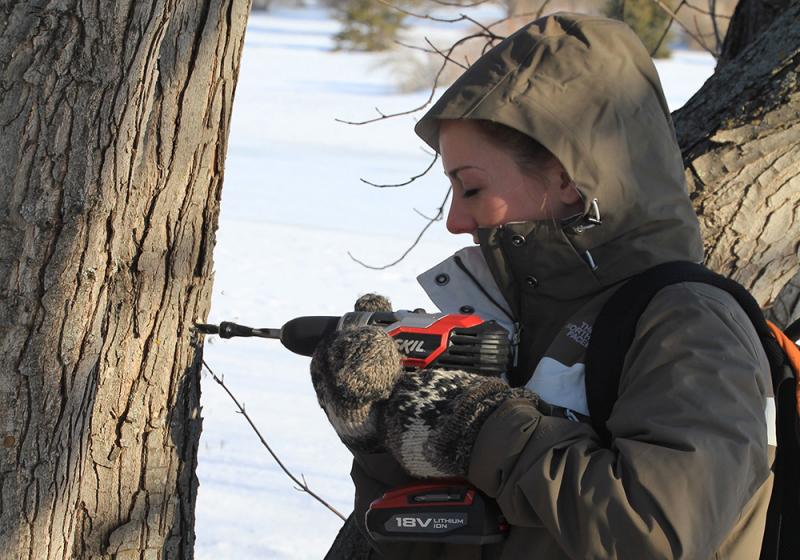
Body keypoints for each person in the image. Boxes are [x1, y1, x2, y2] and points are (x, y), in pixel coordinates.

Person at [310, 12, 774, 559]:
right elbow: (440, 541)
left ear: (568, 180)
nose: (456, 221)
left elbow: (658, 534)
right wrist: (379, 439)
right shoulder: (515, 323)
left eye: (472, 188)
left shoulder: (690, 323)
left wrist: (484, 427)